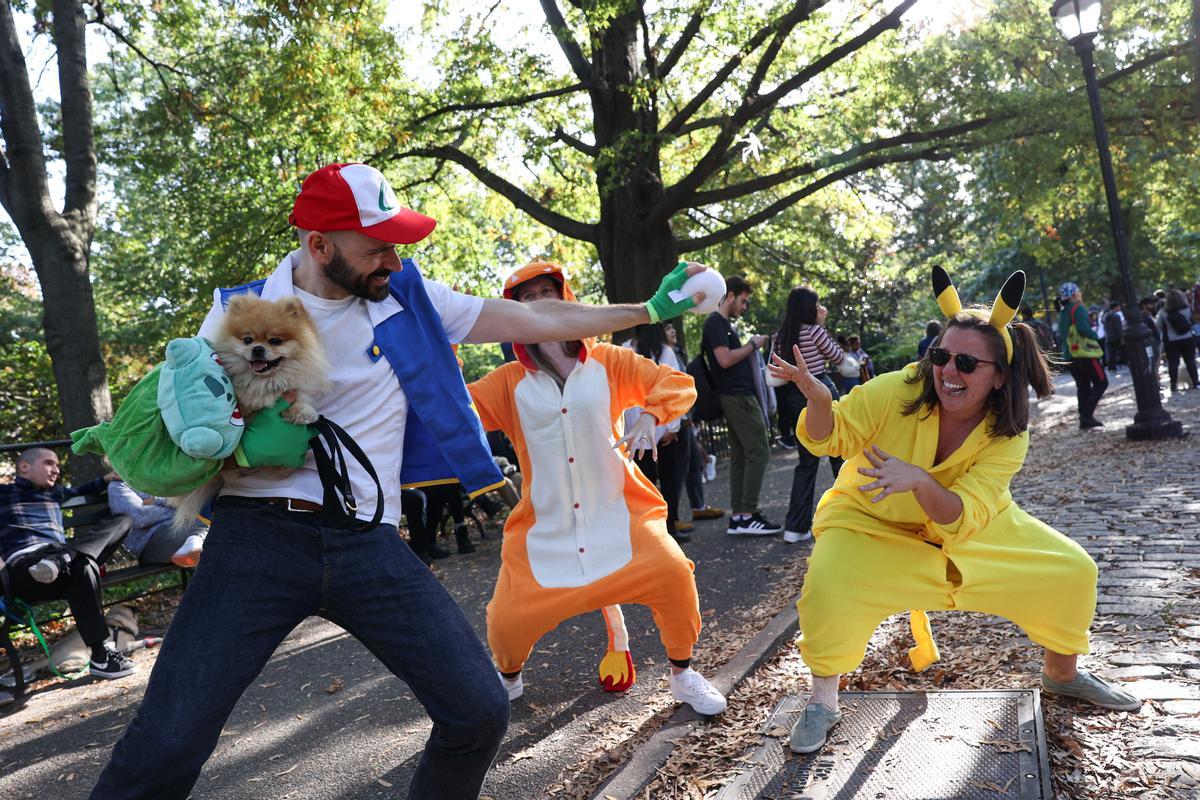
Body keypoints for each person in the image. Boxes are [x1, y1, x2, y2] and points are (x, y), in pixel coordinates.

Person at [89, 163, 708, 800]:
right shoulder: (237, 313)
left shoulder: (411, 295)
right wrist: (238, 435)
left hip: (368, 542)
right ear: (319, 245)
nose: (393, 256)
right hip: (257, 540)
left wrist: (647, 309)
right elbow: (186, 422)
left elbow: (536, 321)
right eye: (376, 245)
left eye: (397, 241)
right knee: (169, 737)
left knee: (477, 709)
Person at [769, 267, 1140, 756]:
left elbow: (964, 513)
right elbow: (827, 436)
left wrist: (921, 481)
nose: (948, 371)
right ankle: (822, 702)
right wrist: (818, 399)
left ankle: (1062, 675)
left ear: (999, 375)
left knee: (1072, 570)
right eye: (941, 356)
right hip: (868, 521)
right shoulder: (899, 388)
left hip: (972, 529)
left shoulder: (1008, 432)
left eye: (967, 363)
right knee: (829, 584)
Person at [467, 262, 726, 715]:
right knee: (505, 623)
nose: (540, 304)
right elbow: (454, 409)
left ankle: (683, 675)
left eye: (549, 292)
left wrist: (651, 413)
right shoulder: (507, 383)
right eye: (528, 299)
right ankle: (507, 679)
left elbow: (675, 384)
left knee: (673, 577)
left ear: (567, 300)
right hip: (546, 532)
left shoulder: (610, 361)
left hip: (621, 517)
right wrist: (443, 336)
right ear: (514, 314)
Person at [1, 449, 135, 680]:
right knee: (83, 563)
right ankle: (102, 653)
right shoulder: (3, 493)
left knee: (123, 520)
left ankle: (101, 656)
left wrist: (104, 480)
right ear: (24, 467)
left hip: (59, 560)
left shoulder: (55, 493)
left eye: (58, 466)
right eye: (49, 464)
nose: (56, 470)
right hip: (27, 567)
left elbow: (80, 490)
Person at [701, 276, 782, 536]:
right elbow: (724, 360)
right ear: (731, 295)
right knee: (759, 450)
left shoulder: (721, 324)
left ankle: (740, 516)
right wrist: (752, 345)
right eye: (743, 301)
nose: (744, 307)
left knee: (740, 455)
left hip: (734, 395)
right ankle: (747, 514)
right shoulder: (716, 322)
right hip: (737, 396)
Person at [772, 287, 845, 544]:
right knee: (840, 453)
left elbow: (775, 368)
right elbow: (838, 357)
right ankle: (852, 518)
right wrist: (822, 325)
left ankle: (795, 527)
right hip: (822, 390)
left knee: (806, 462)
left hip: (795, 397)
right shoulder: (815, 331)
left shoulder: (780, 336)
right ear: (809, 308)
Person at [625, 322, 688, 542]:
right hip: (662, 424)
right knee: (670, 480)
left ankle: (648, 530)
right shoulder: (664, 352)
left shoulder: (625, 350)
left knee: (645, 483)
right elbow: (674, 388)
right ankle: (670, 526)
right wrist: (674, 426)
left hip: (635, 430)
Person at [663, 321, 724, 529]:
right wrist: (679, 418)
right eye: (668, 329)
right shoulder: (663, 356)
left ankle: (697, 506)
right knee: (678, 470)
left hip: (684, 418)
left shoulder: (676, 353)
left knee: (694, 464)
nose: (673, 332)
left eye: (673, 328)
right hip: (677, 420)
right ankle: (672, 517)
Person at [105, 480, 206, 568]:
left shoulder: (153, 481)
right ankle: (194, 543)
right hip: (149, 542)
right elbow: (139, 517)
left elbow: (183, 503)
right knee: (203, 527)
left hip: (176, 529)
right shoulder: (117, 486)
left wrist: (156, 501)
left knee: (210, 526)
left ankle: (194, 544)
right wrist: (175, 511)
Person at [1058, 282, 1108, 429]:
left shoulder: (1062, 312)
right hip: (1084, 353)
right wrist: (1095, 335)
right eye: (1078, 292)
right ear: (1073, 294)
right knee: (1101, 382)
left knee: (1083, 386)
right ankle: (1087, 415)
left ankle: (1084, 419)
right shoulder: (1078, 308)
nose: (1080, 295)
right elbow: (1083, 329)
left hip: (1070, 354)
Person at [1157, 289, 1200, 392]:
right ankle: (1195, 382)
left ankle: (1173, 385)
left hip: (1171, 341)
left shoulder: (1163, 312)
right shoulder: (1187, 309)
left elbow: (1158, 326)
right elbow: (1193, 323)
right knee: (1190, 361)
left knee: (1173, 363)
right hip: (1187, 338)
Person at [1102, 302, 1125, 371]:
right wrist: (1121, 337)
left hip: (1109, 337)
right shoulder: (1116, 316)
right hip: (1116, 337)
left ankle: (1111, 366)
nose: (1119, 308)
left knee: (1111, 352)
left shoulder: (1105, 315)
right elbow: (1119, 328)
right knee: (1121, 351)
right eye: (1118, 307)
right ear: (1115, 307)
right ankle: (1122, 363)